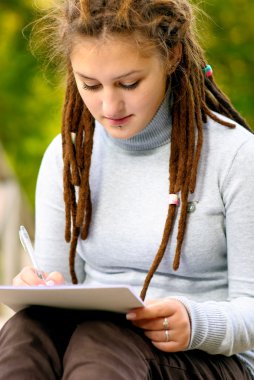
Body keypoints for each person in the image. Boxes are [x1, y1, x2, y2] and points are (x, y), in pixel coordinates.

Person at [0, 0, 253, 378]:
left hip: (208, 358)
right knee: (25, 331)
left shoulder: (236, 157)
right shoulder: (69, 157)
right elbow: (58, 290)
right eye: (90, 85)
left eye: (129, 83)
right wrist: (37, 288)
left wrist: (194, 322)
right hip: (99, 350)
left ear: (172, 56)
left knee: (101, 342)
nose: (109, 105)